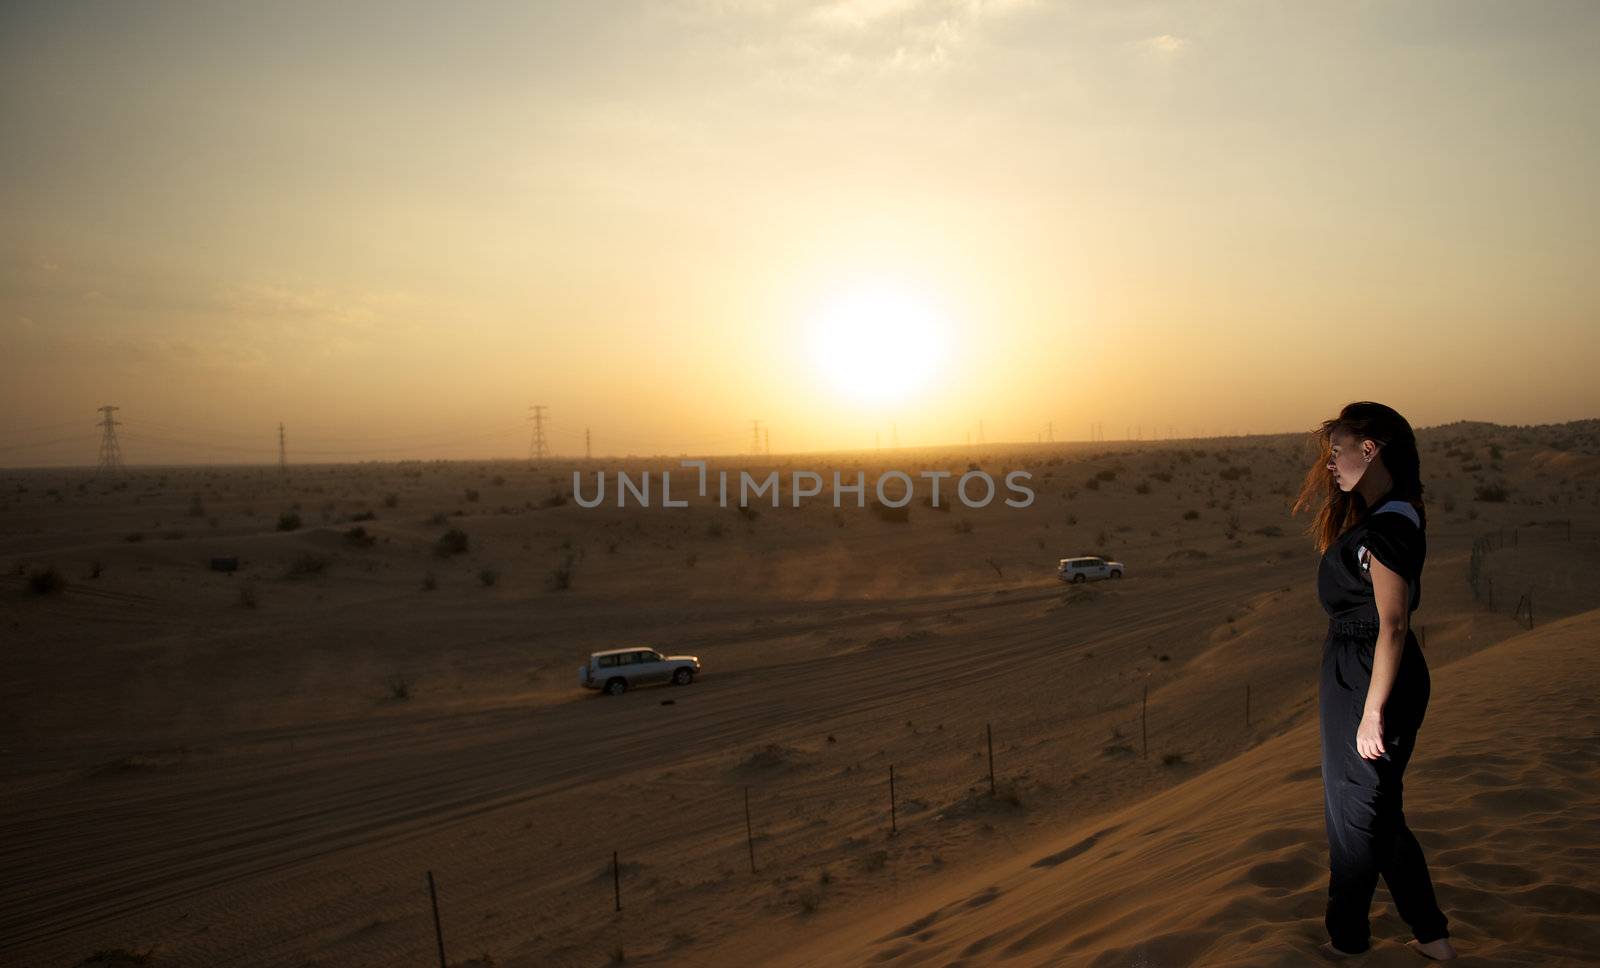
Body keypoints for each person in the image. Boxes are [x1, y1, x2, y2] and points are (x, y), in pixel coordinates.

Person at [1292, 402, 1458, 961]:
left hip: (1371, 673)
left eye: (1338, 450)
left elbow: (1393, 621)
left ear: (1370, 449)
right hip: (1356, 669)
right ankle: (1431, 936)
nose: (1331, 464)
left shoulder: (1390, 523)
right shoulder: (1381, 516)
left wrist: (1371, 711)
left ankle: (1348, 940)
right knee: (1374, 811)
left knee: (1355, 812)